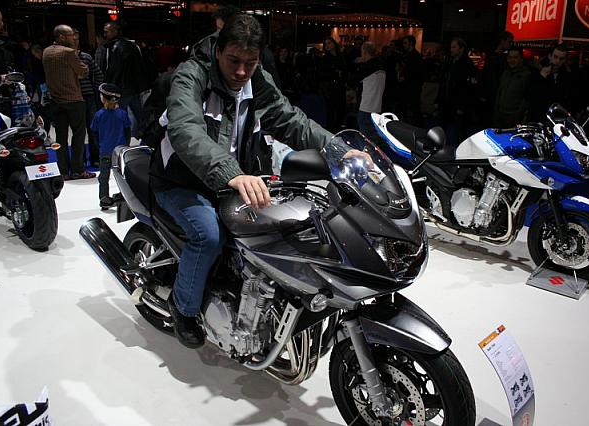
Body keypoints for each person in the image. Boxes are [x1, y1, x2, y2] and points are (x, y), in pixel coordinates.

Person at [150, 15, 358, 349]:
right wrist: (231, 173)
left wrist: (338, 150)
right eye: (234, 61)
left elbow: (289, 118)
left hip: (234, 178)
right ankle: (183, 308)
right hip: (183, 180)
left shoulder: (256, 80)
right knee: (208, 235)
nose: (241, 71)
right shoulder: (191, 75)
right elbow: (186, 130)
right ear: (218, 51)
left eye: (251, 62)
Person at [43, 25, 94, 180]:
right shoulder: (69, 52)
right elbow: (83, 71)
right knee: (78, 136)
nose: (74, 38)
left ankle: (63, 171)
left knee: (60, 138)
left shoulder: (46, 52)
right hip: (74, 100)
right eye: (71, 35)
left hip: (55, 100)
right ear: (61, 37)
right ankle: (78, 170)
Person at [99, 21, 149, 137]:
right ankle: (146, 136)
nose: (105, 35)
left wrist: (110, 88)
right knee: (140, 115)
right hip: (134, 88)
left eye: (107, 32)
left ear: (115, 31)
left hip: (121, 89)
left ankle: (124, 141)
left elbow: (114, 70)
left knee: (121, 118)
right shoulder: (132, 46)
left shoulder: (114, 47)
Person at [90, 83, 131, 210]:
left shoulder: (98, 115)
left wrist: (99, 146)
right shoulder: (122, 114)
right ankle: (124, 196)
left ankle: (104, 199)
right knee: (122, 175)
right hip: (120, 151)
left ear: (103, 98)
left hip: (105, 151)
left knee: (103, 177)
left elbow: (94, 133)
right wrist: (126, 146)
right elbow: (127, 131)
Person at [73, 28, 104, 167]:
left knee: (93, 129)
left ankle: (95, 157)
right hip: (73, 98)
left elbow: (98, 74)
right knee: (78, 131)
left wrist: (96, 90)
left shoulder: (86, 56)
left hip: (88, 96)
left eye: (77, 39)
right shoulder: (64, 58)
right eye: (73, 39)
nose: (75, 41)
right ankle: (80, 160)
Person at [527, 44, 573, 122]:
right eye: (555, 57)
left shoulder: (566, 75)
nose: (557, 61)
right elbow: (530, 95)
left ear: (564, 60)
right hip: (538, 118)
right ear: (550, 56)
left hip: (557, 120)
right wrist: (541, 77)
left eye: (561, 59)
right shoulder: (538, 71)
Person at [351, 42, 386, 147]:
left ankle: (370, 155)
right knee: (375, 137)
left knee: (366, 139)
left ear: (364, 52)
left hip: (365, 107)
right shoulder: (381, 66)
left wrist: (358, 64)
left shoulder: (366, 68)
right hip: (378, 107)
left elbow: (352, 81)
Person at [480, 31, 514, 126]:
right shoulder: (495, 58)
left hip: (496, 95)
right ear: (502, 41)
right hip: (494, 95)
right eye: (509, 42)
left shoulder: (497, 57)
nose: (510, 44)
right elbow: (489, 78)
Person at [493, 47, 531, 128]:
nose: (512, 60)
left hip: (514, 119)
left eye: (515, 57)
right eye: (510, 57)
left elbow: (526, 99)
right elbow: (499, 92)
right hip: (500, 116)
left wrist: (516, 117)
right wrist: (496, 111)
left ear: (521, 59)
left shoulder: (526, 76)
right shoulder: (505, 73)